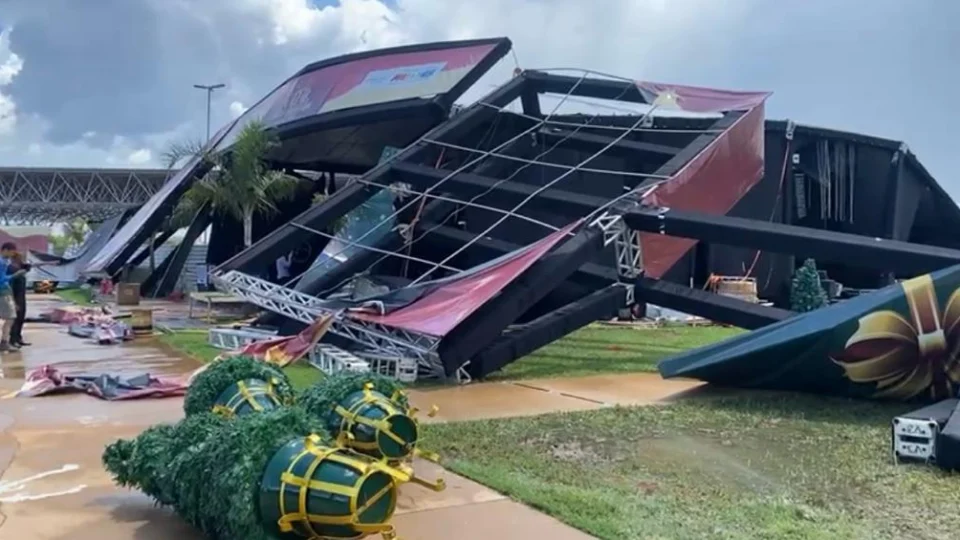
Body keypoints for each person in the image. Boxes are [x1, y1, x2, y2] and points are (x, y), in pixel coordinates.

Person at [7, 251, 30, 347]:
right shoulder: (11, 269)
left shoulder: (20, 268)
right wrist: (13, 301)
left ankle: (18, 337)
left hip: (21, 296)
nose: (22, 260)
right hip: (15, 296)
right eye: (21, 258)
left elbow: (28, 267)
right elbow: (9, 286)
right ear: (15, 258)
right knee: (15, 319)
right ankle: (13, 339)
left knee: (21, 318)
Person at [0, 242, 20, 352]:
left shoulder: (5, 262)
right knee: (10, 317)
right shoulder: (2, 263)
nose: (13, 254)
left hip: (5, 292)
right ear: (6, 250)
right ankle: (4, 342)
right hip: (2, 293)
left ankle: (4, 341)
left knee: (9, 317)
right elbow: (1, 280)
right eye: (12, 252)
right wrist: (14, 275)